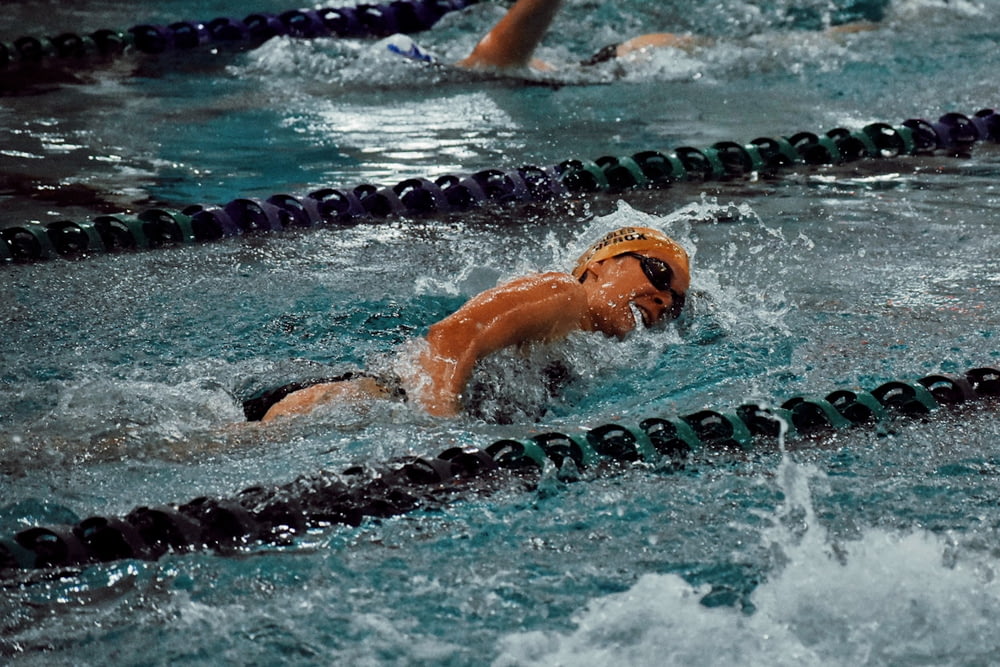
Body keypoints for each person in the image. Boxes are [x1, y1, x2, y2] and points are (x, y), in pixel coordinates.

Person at [251, 225, 690, 422]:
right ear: (600, 265)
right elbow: (453, 335)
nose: (662, 297)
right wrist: (442, 435)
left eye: (674, 302)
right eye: (658, 274)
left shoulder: (586, 343)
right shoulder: (565, 295)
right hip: (359, 405)